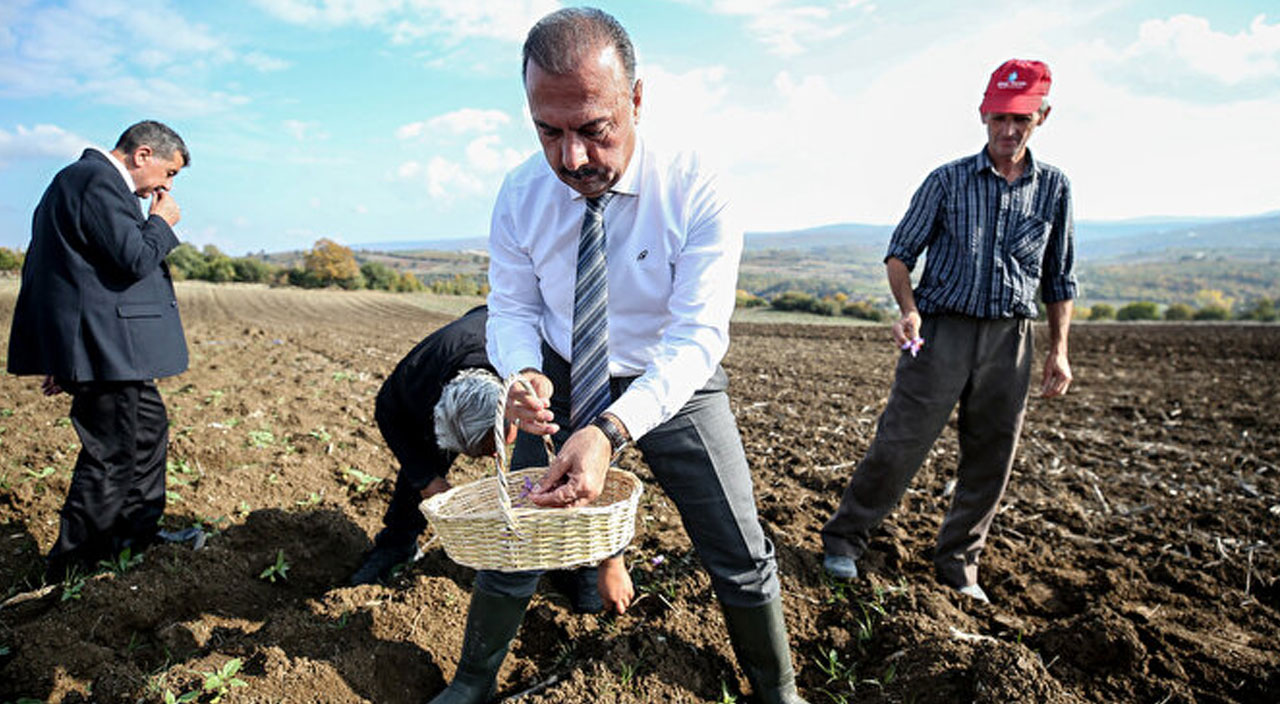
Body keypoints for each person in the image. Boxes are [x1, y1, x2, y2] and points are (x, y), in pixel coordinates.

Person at [428, 8, 809, 704]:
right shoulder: (520, 194)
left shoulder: (698, 188)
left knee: (737, 547)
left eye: (593, 130)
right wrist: (523, 371)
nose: (571, 158)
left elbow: (698, 336)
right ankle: (473, 683)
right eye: (549, 132)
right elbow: (511, 306)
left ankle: (778, 690)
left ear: (637, 100)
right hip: (565, 371)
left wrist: (609, 431)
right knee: (520, 537)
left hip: (673, 377)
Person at [820, 59, 1077, 604]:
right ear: (983, 115)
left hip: (1010, 338)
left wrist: (1059, 351)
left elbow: (1058, 276)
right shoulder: (947, 181)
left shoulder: (1054, 188)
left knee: (992, 455)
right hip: (939, 334)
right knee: (900, 443)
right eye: (999, 118)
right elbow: (899, 255)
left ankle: (960, 563)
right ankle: (844, 540)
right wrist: (908, 309)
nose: (1008, 131)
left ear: (1043, 117)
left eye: (1022, 120)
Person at [349, 305, 633, 615]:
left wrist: (612, 559)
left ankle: (584, 570)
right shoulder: (416, 381)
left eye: (492, 448)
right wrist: (427, 480)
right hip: (451, 365)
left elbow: (595, 453)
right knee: (421, 464)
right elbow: (387, 412)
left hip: (541, 354)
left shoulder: (536, 381)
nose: (495, 458)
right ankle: (396, 545)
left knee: (565, 464)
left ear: (506, 420)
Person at [7, 120, 192, 582]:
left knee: (148, 432)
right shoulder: (95, 181)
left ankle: (134, 538)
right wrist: (161, 224)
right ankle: (74, 566)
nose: (167, 186)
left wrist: (61, 353)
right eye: (169, 173)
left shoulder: (81, 182)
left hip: (102, 348)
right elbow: (132, 258)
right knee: (112, 455)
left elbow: (59, 271)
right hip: (104, 349)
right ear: (143, 154)